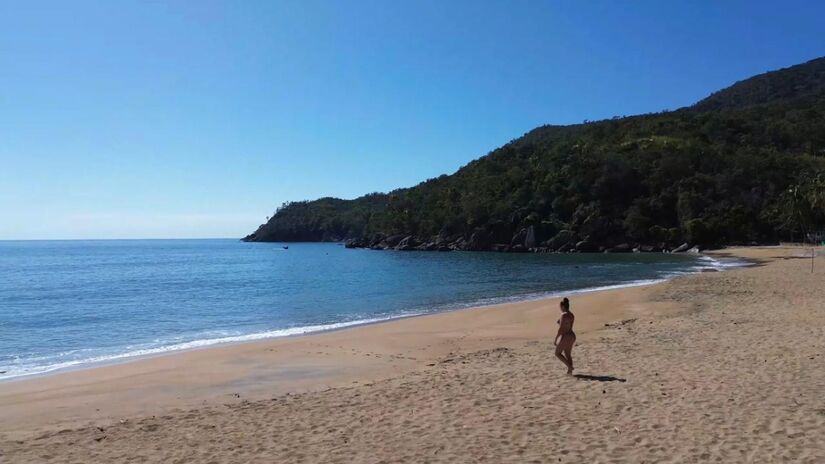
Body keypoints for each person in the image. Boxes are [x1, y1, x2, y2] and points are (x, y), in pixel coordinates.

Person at [554, 297, 576, 375]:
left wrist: (556, 339)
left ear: (563, 306)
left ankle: (570, 367)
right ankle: (570, 372)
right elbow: (568, 325)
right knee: (567, 354)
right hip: (572, 335)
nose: (560, 308)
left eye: (560, 307)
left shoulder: (563, 315)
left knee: (557, 353)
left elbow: (561, 329)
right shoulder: (571, 315)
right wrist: (560, 322)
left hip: (566, 336)